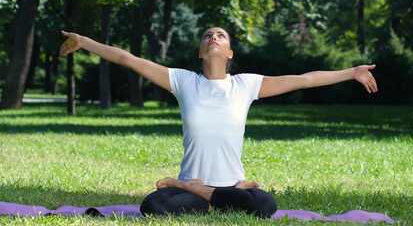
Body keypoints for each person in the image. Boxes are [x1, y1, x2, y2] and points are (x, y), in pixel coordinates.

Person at [59, 27, 378, 218]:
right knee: (152, 207)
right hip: (210, 193)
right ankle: (203, 194)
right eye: (208, 35)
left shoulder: (246, 85)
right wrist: (85, 42)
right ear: (201, 51)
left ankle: (190, 188)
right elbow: (129, 59)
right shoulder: (184, 81)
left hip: (225, 184)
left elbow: (304, 79)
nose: (213, 37)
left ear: (229, 52)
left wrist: (351, 73)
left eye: (220, 35)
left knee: (266, 205)